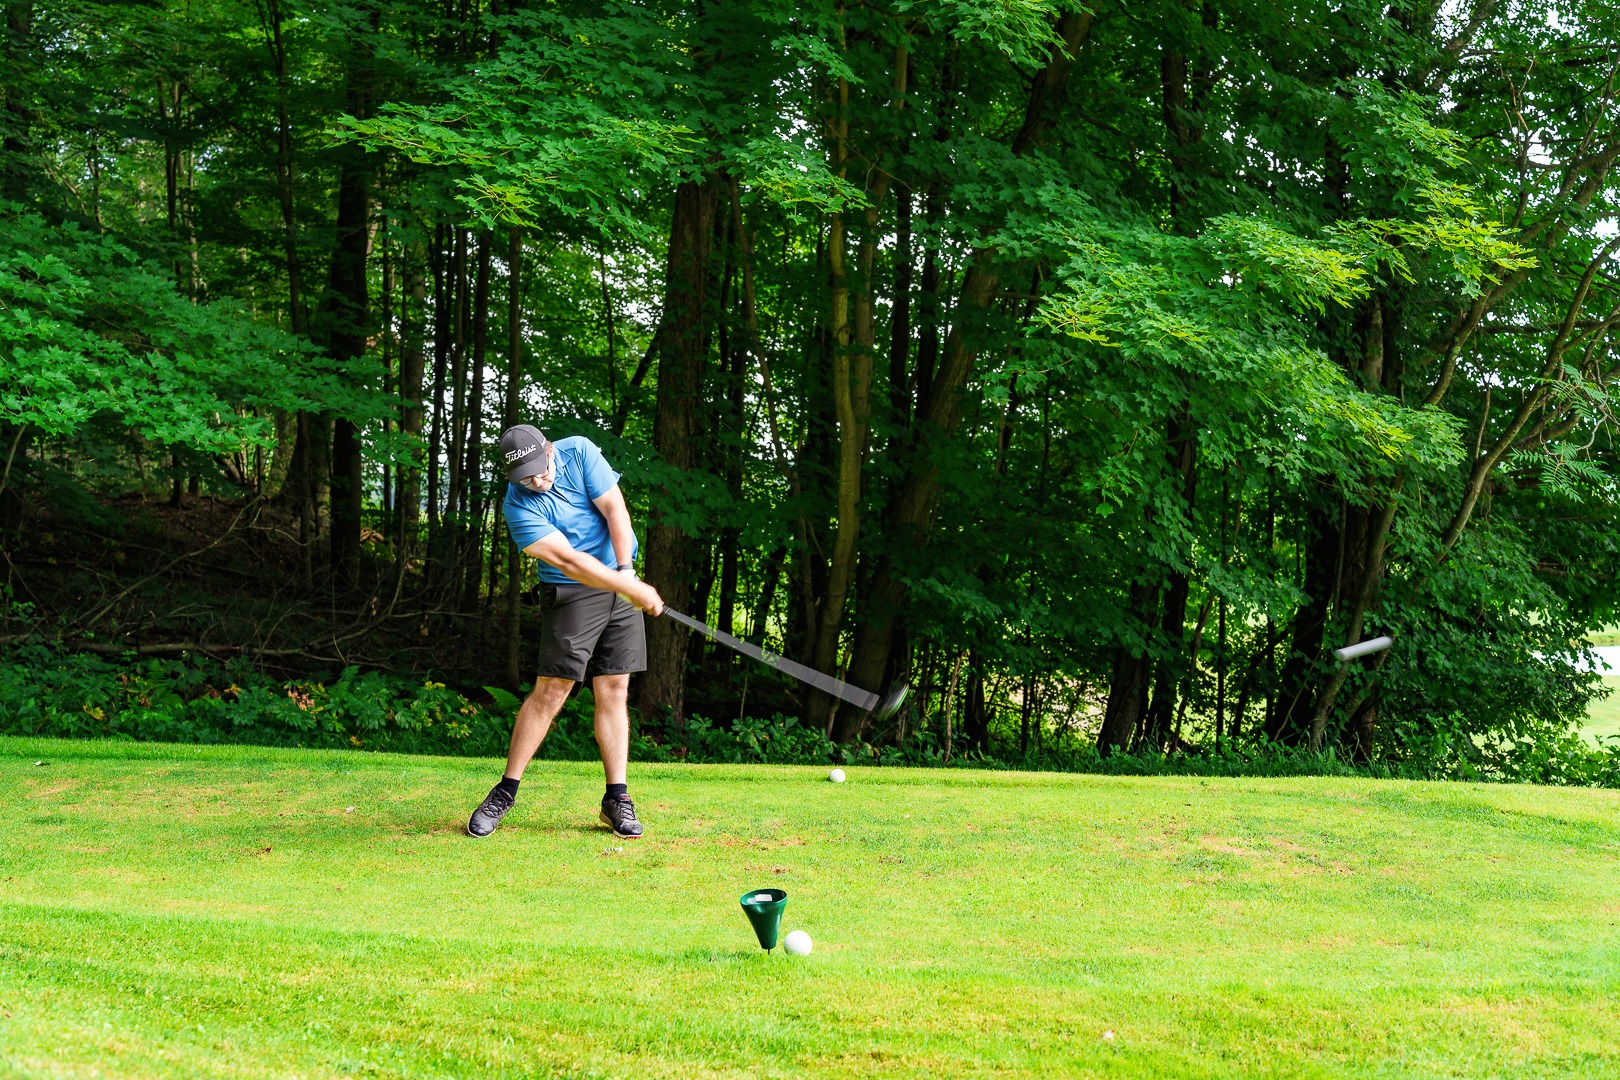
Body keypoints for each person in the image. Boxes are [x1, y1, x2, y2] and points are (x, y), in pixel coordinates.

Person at [466, 424, 664, 840]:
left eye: (542, 469)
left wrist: (626, 571)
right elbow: (570, 561)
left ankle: (616, 799)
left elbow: (614, 508)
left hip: (618, 574)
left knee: (613, 687)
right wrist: (628, 586)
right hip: (572, 590)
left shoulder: (579, 452)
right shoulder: (518, 507)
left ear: (550, 450)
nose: (538, 481)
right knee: (553, 689)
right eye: (526, 478)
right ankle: (505, 792)